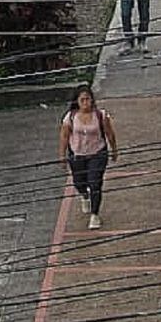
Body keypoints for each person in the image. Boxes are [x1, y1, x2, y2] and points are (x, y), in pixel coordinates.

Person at [57, 85, 117, 230]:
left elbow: (109, 133)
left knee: (95, 183)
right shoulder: (70, 117)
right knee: (79, 182)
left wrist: (114, 149)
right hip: (77, 155)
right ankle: (84, 196)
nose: (85, 103)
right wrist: (62, 155)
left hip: (97, 154)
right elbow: (64, 136)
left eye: (88, 99)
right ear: (77, 101)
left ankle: (95, 215)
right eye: (82, 100)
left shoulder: (100, 115)